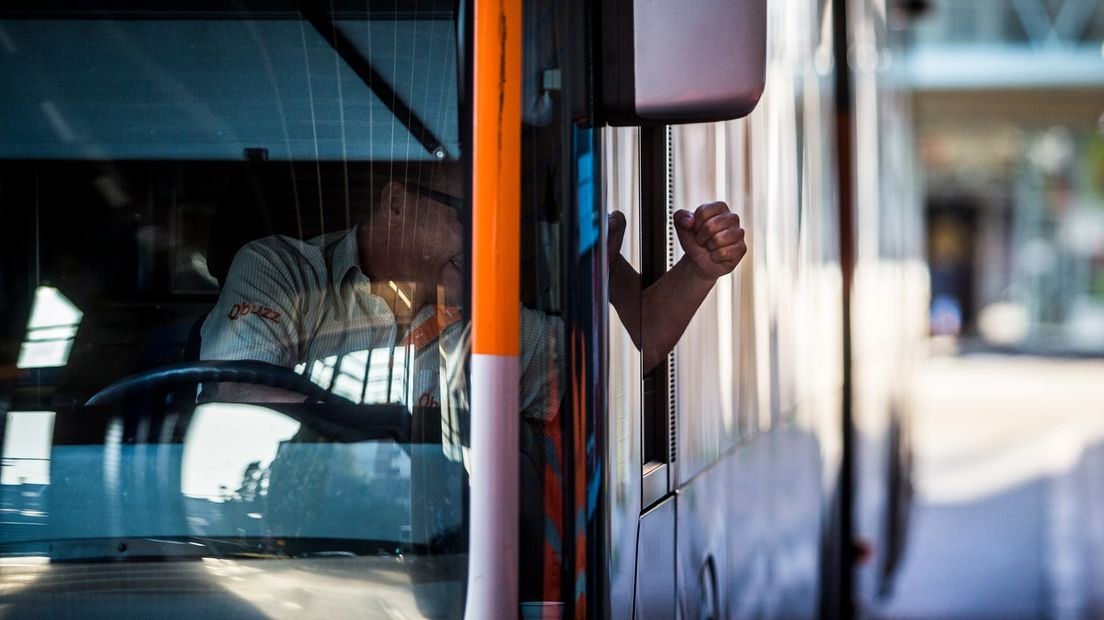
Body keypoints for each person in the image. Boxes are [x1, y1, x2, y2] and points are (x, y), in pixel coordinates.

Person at [199, 163, 747, 411]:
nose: (485, 238)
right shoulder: (281, 271)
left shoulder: (469, 317)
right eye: (466, 214)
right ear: (396, 203)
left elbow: (621, 355)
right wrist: (386, 438)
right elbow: (235, 395)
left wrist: (696, 272)